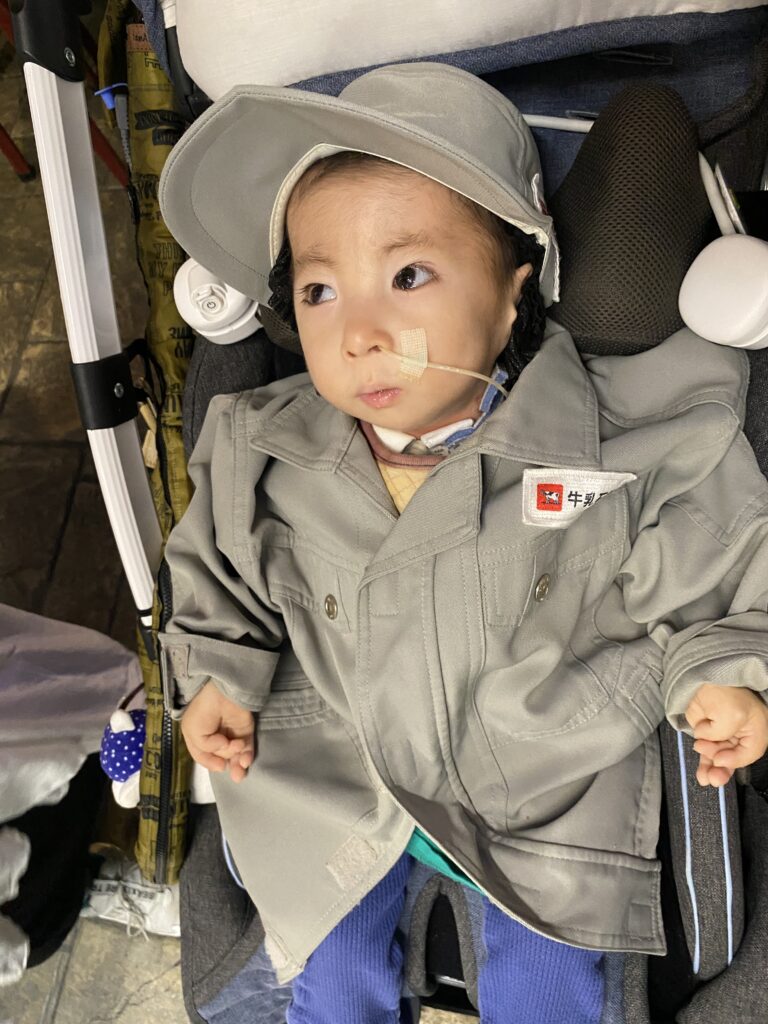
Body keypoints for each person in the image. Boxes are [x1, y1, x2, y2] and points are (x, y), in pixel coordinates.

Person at [157, 63, 768, 1022]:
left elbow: (709, 547)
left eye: (409, 276)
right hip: (342, 770)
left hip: (537, 782)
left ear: (513, 294)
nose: (361, 332)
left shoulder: (614, 441)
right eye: (319, 290)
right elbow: (217, 572)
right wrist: (218, 676)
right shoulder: (265, 448)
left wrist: (718, 672)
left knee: (547, 990)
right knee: (328, 975)